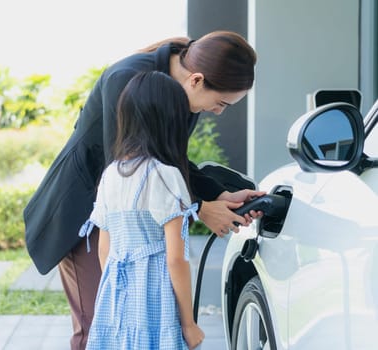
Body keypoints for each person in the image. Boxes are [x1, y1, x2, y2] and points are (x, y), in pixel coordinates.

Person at [23, 30, 264, 350]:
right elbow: (131, 168)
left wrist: (219, 196)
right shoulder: (126, 79)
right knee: (98, 328)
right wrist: (199, 208)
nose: (218, 112)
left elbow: (169, 159)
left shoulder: (179, 94)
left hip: (123, 220)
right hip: (85, 215)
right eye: (220, 103)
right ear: (196, 80)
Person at [79, 70, 205, 349]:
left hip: (115, 295)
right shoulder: (165, 176)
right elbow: (175, 259)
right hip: (155, 295)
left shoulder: (111, 174)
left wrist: (119, 290)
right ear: (171, 121)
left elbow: (105, 248)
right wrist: (188, 322)